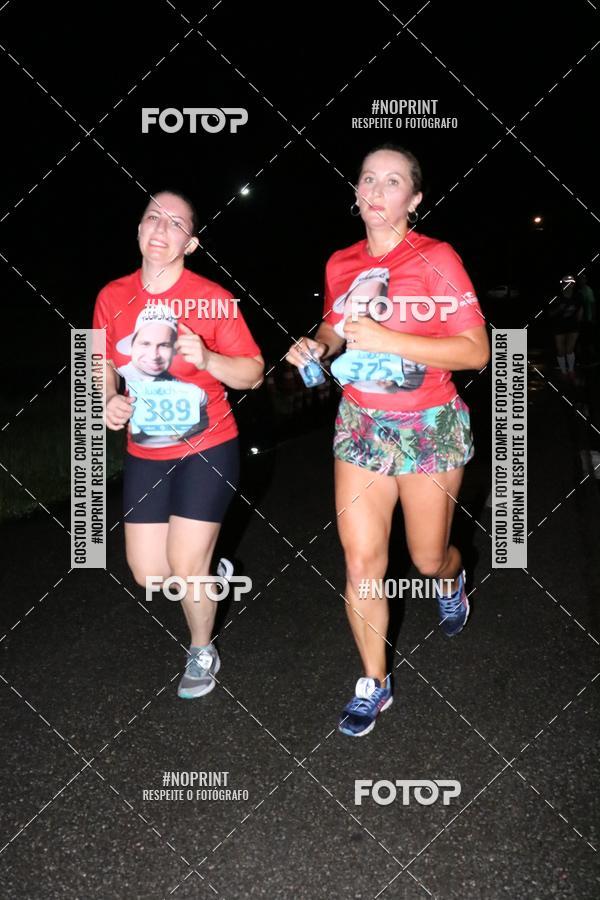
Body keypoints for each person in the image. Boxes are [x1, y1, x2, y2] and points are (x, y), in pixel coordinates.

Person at [286, 144, 489, 737]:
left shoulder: (437, 259)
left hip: (429, 425)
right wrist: (318, 346)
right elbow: (334, 324)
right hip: (362, 424)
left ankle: (452, 582)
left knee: (427, 558)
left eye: (392, 181)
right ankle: (374, 681)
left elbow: (476, 351)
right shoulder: (341, 262)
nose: (375, 190)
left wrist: (389, 337)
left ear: (414, 199)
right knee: (361, 562)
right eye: (367, 178)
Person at [93, 190, 264, 699]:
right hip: (146, 453)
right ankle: (205, 572)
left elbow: (253, 374)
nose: (161, 229)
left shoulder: (211, 298)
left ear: (190, 243)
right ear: (139, 230)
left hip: (207, 449)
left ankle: (201, 647)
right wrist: (107, 401)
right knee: (150, 575)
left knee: (188, 567)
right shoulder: (110, 296)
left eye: (175, 223)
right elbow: (99, 361)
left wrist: (209, 359)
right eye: (152, 218)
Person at [549, 274, 583, 381]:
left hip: (573, 326)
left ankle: (571, 371)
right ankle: (564, 372)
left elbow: (580, 308)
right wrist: (559, 308)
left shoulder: (578, 295)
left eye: (571, 283)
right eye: (566, 283)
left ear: (573, 284)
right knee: (560, 350)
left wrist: (579, 320)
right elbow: (550, 313)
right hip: (558, 326)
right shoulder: (556, 297)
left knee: (569, 350)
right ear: (562, 284)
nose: (568, 285)